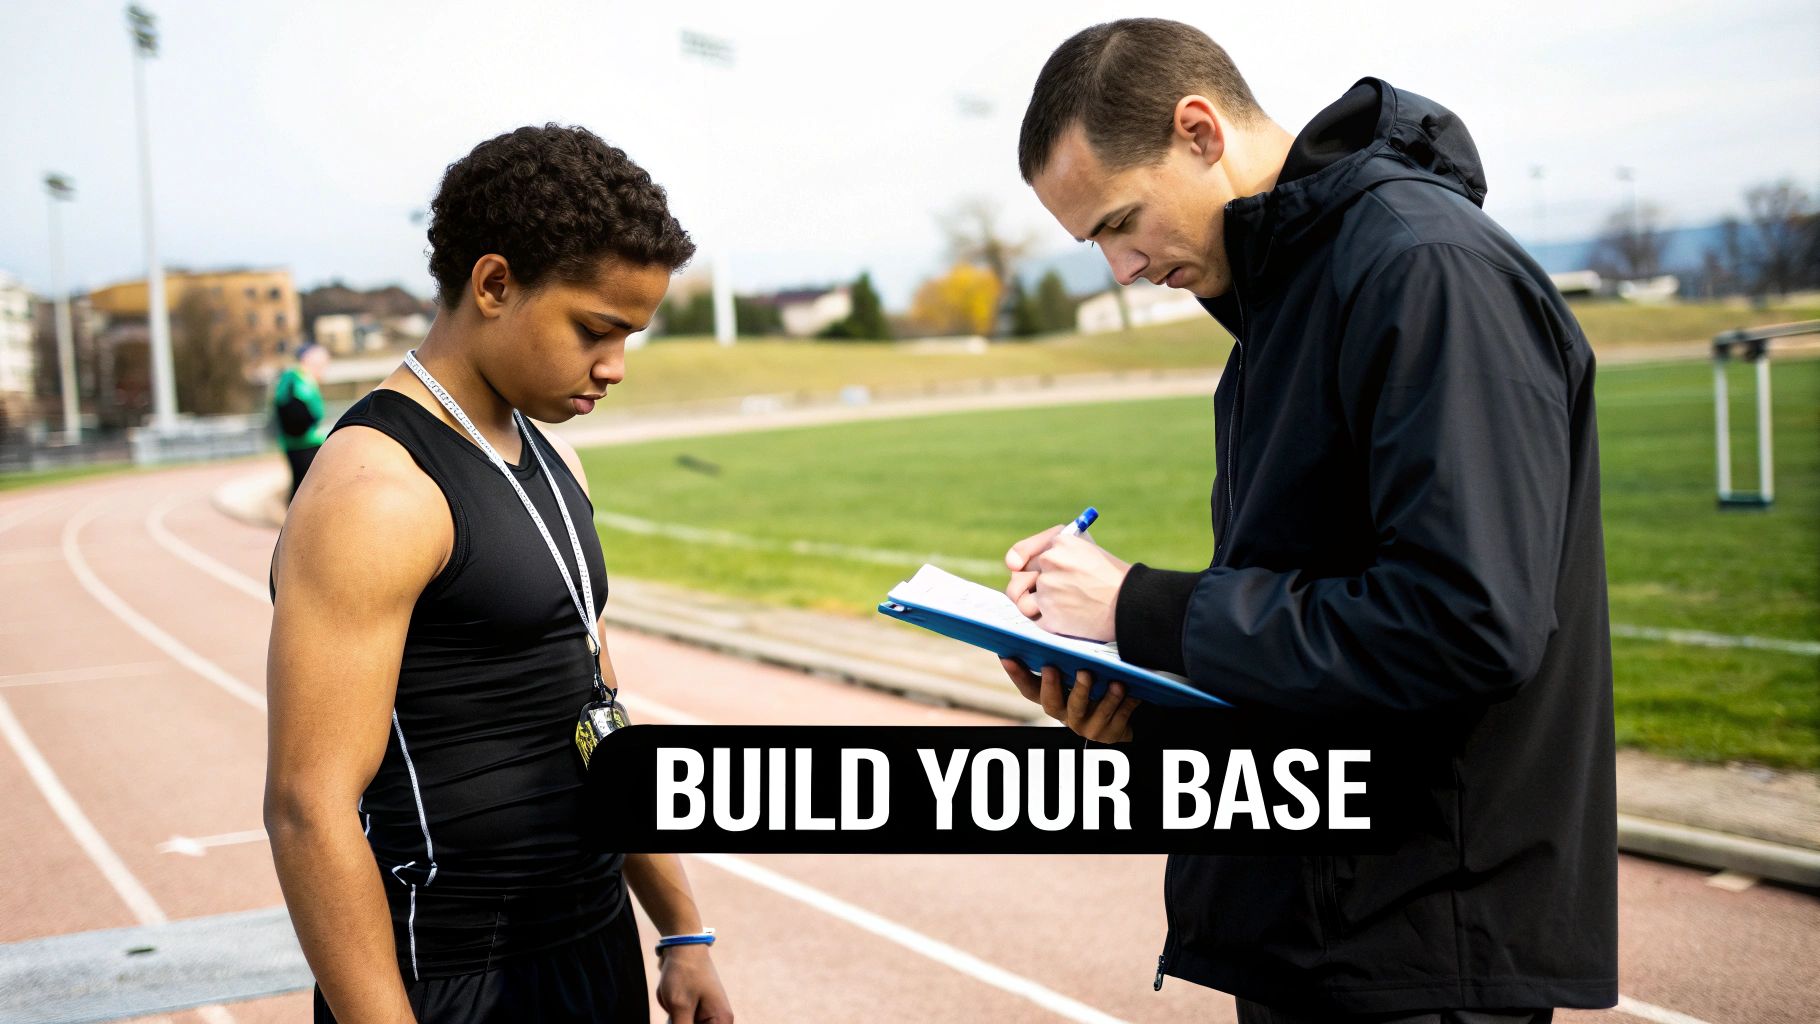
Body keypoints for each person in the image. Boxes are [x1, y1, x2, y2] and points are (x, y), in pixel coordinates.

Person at [1002, 19, 1616, 1024]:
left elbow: (1464, 623)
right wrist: (1138, 705)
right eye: (1093, 243)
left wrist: (1141, 605)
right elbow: (1323, 628)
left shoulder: (1422, 271)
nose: (1119, 267)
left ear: (1198, 131)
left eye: (1120, 221)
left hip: (1417, 937)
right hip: (1323, 925)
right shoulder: (1281, 305)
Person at [265, 124, 734, 1024]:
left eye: (631, 336)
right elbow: (306, 807)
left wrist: (680, 929)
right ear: (493, 283)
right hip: (448, 979)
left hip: (594, 946)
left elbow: (600, 718)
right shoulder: (376, 491)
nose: (616, 368)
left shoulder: (559, 464)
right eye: (596, 330)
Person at [273, 342, 331, 501]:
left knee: (304, 489)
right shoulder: (297, 380)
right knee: (304, 491)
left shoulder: (298, 379)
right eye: (323, 364)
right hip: (303, 445)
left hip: (303, 443)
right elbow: (294, 414)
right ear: (310, 362)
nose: (325, 370)